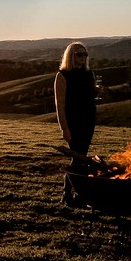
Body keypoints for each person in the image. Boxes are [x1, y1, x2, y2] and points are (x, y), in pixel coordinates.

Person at [54, 41, 96, 206]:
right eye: (79, 54)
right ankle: (70, 194)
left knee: (81, 157)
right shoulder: (62, 76)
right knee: (77, 158)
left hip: (88, 119)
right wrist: (64, 128)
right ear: (71, 55)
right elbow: (60, 104)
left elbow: (90, 96)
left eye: (85, 54)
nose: (83, 57)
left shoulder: (88, 73)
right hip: (73, 121)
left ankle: (75, 195)